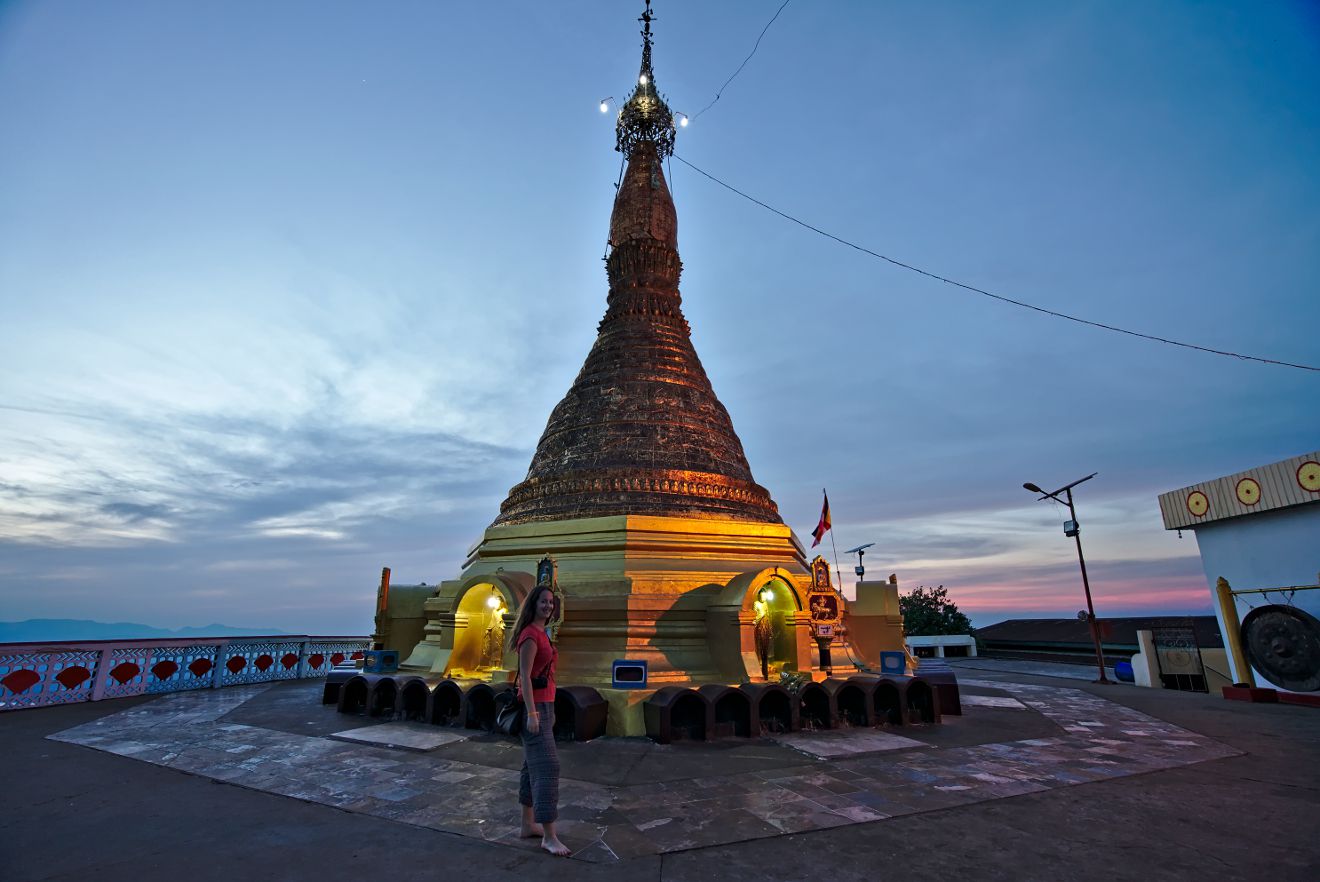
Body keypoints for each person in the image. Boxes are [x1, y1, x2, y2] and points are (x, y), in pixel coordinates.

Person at [507, 585, 568, 856]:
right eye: (543, 602)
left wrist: (548, 711)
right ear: (533, 604)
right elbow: (526, 678)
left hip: (545, 706)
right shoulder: (530, 636)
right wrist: (532, 713)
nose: (548, 606)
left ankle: (526, 825)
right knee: (548, 768)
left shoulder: (543, 633)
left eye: (551, 603)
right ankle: (549, 836)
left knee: (531, 768)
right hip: (534, 708)